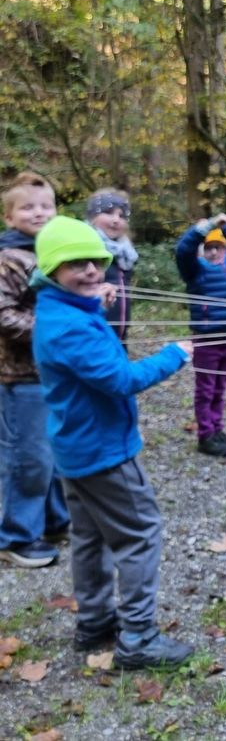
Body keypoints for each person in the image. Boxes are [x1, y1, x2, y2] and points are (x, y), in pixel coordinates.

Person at [31, 215, 194, 668]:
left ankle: (96, 622)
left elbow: (82, 341)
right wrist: (174, 354)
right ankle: (138, 637)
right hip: (103, 452)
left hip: (74, 448)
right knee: (140, 534)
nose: (88, 271)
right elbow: (121, 378)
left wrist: (93, 304)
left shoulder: (60, 310)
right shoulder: (70, 327)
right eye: (74, 264)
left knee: (89, 537)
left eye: (94, 261)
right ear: (51, 269)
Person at [0, 172, 69, 568]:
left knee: (53, 452)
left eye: (46, 206)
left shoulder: (51, 253)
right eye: (28, 207)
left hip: (51, 373)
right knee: (28, 458)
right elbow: (3, 314)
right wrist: (49, 330)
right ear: (10, 217)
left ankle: (55, 521)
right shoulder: (9, 259)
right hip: (20, 378)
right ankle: (16, 536)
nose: (39, 213)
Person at [175, 214, 226, 457]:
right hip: (208, 339)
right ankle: (205, 436)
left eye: (218, 247)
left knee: (220, 387)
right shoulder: (194, 270)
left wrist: (224, 225)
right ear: (201, 251)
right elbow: (183, 249)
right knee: (206, 389)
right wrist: (204, 228)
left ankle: (217, 429)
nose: (214, 253)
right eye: (208, 249)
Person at [86, 189, 138, 344]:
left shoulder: (126, 253)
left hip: (120, 335)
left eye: (121, 216)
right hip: (94, 334)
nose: (116, 220)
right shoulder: (86, 249)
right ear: (93, 216)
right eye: (108, 212)